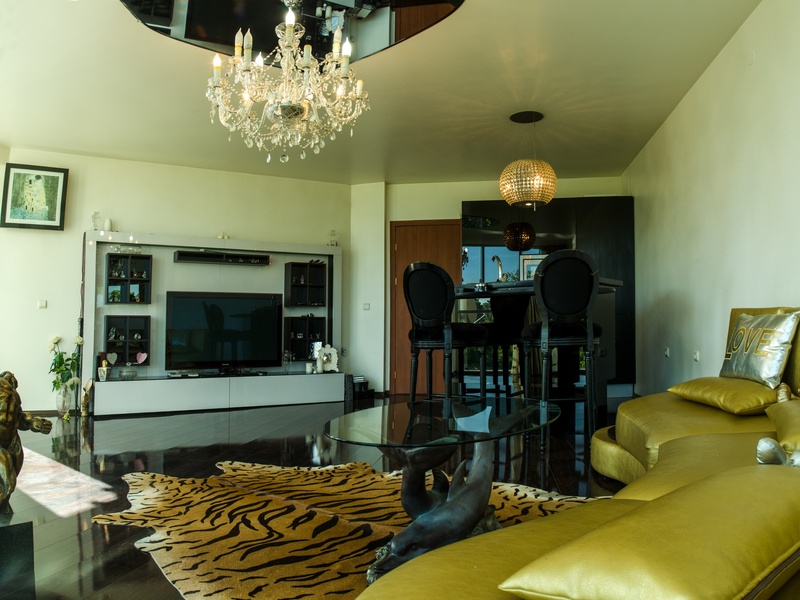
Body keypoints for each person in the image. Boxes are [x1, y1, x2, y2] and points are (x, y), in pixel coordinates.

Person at [0, 371, 52, 513]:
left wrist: (33, 423)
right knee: (7, 482)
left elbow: (18, 417)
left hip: (11, 443)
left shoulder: (11, 393)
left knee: (9, 482)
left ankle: (4, 513)